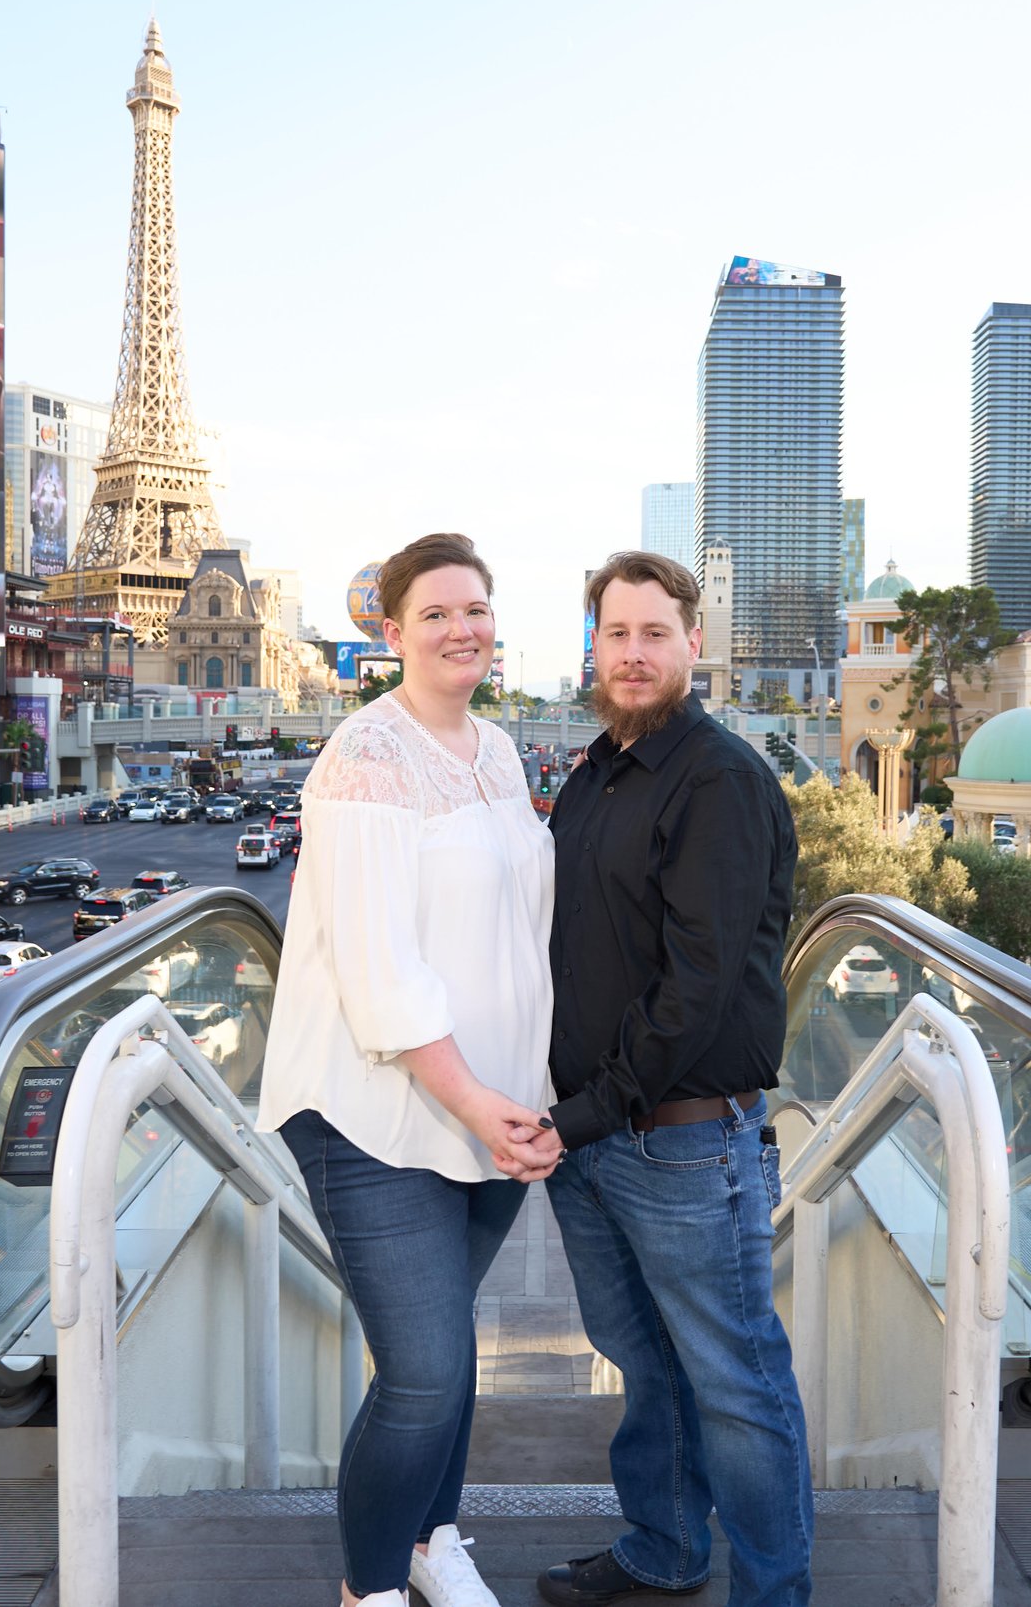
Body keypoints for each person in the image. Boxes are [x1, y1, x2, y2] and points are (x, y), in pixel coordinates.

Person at [255, 533, 559, 1607]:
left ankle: (434, 1535)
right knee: (424, 1369)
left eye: (475, 607)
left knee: (446, 1349)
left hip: (491, 1110)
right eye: (433, 612)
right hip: (374, 1110)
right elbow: (378, 966)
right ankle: (372, 1584)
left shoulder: (497, 749)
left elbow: (524, 930)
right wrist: (481, 1101)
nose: (460, 628)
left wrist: (526, 1099)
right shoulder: (365, 758)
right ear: (390, 634)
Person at [539, 551, 813, 1607]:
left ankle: (773, 1593)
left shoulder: (721, 778)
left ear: (694, 644)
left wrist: (587, 1111)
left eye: (657, 632)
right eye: (617, 633)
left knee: (735, 1382)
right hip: (596, 1136)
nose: (635, 651)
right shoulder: (597, 771)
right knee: (644, 1360)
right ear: (594, 645)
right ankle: (663, 1544)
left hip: (685, 1140)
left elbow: (695, 984)